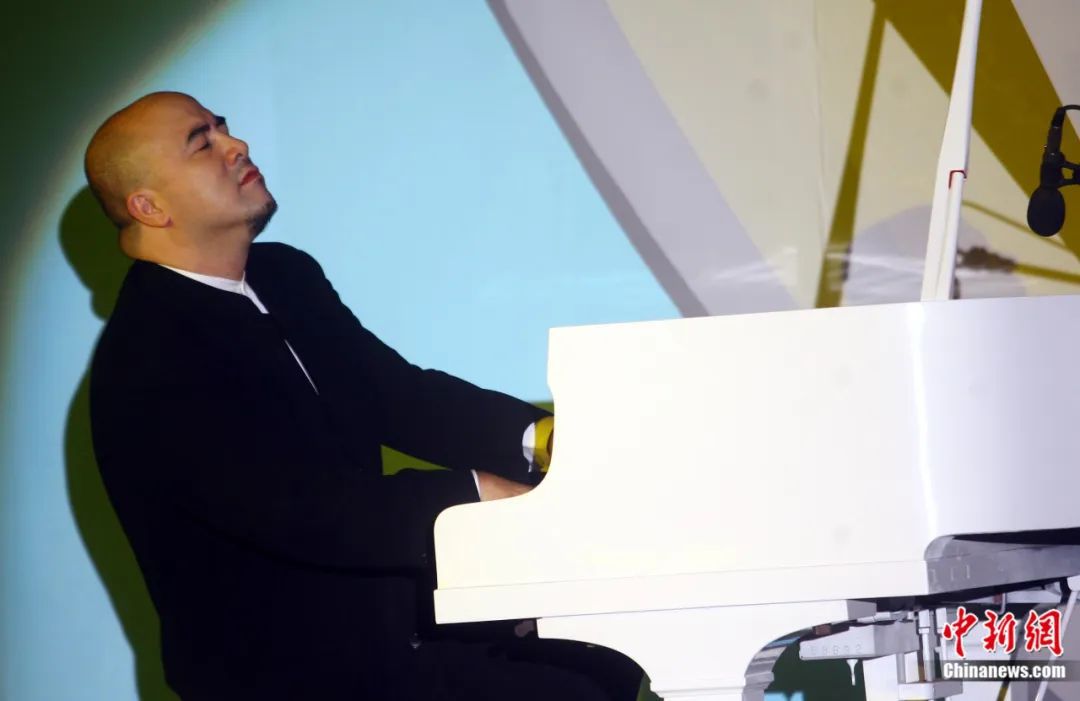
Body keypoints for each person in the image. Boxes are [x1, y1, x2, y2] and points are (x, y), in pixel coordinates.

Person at [85, 91, 640, 700]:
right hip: (292, 676)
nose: (236, 145)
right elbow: (301, 509)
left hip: (389, 635)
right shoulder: (148, 354)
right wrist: (482, 492)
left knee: (606, 658)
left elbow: (394, 396)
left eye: (224, 128)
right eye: (203, 143)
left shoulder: (283, 274)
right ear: (149, 206)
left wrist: (546, 440)